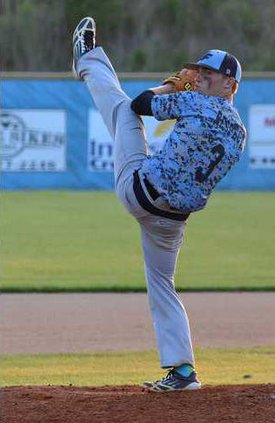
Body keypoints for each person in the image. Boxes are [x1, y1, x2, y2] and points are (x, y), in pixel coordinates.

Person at [72, 17, 246, 392]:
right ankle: (183, 373)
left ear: (230, 84)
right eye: (199, 71)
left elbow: (141, 103)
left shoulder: (197, 102)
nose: (200, 77)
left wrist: (171, 84)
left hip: (140, 190)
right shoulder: (239, 131)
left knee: (123, 110)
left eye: (209, 75)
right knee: (163, 285)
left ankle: (87, 60)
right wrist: (190, 92)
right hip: (172, 221)